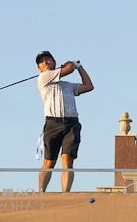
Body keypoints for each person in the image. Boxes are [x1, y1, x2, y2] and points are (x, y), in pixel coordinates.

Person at [36, 50, 94, 192]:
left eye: (48, 59)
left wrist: (79, 66)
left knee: (67, 161)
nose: (46, 62)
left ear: (54, 62)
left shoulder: (67, 85)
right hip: (52, 123)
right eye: (42, 62)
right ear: (40, 68)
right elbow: (67, 70)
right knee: (49, 162)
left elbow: (88, 86)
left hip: (71, 123)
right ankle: (41, 192)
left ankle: (65, 194)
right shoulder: (44, 77)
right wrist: (71, 65)